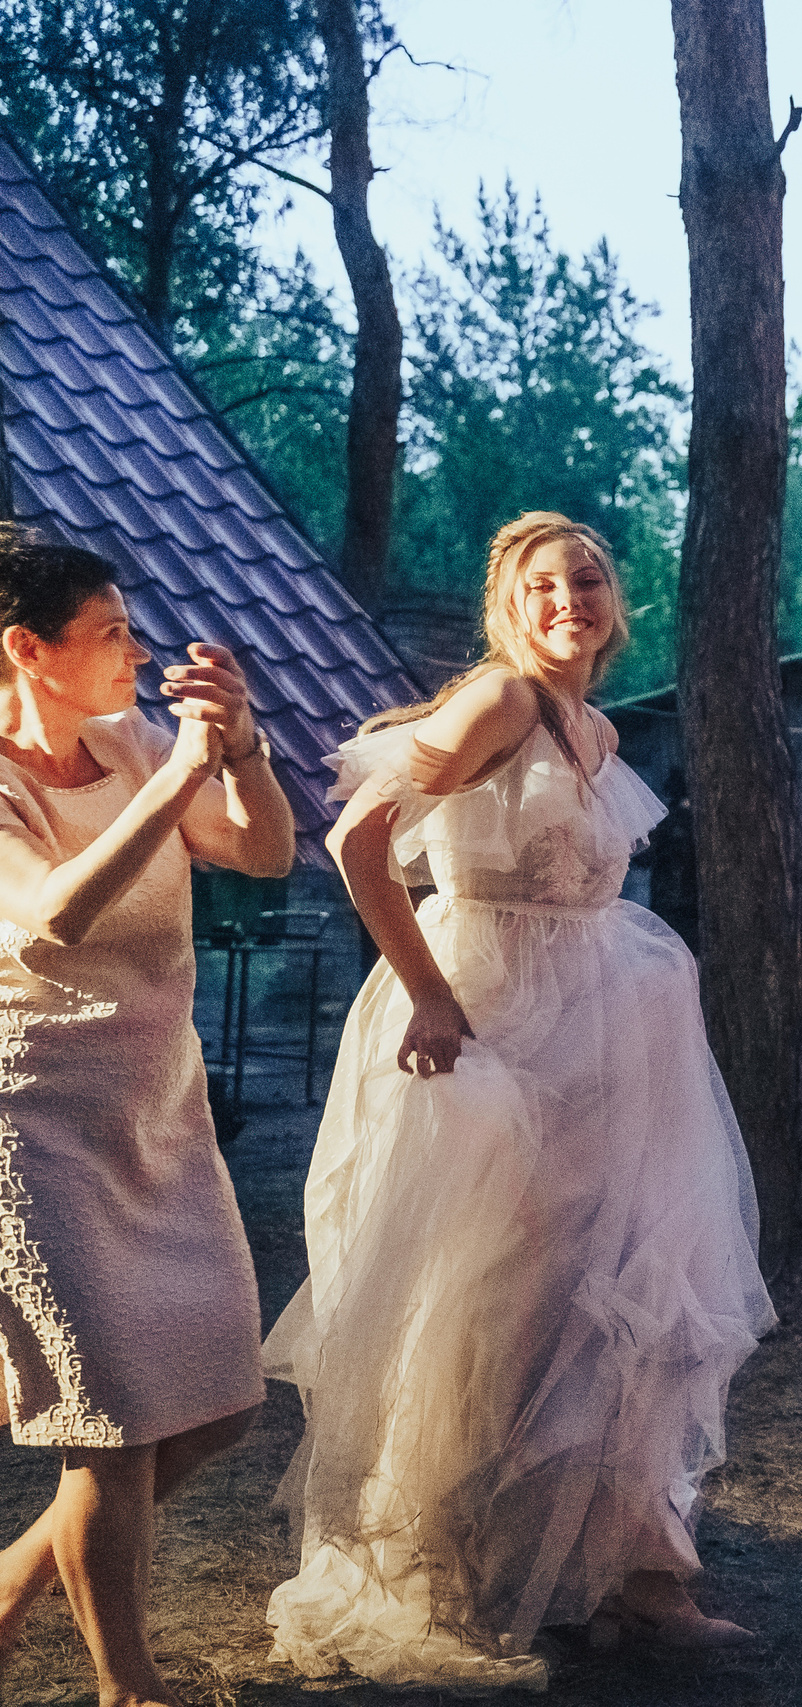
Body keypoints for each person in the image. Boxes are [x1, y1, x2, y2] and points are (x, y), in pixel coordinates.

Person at [263, 513, 775, 1690]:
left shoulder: (591, 727)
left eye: (587, 579)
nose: (568, 598)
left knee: (607, 1294)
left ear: (614, 601)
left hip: (601, 1039)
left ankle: (629, 1575)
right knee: (488, 1298)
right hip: (491, 1029)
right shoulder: (497, 703)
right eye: (542, 584)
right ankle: (455, 1571)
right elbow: (358, 839)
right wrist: (431, 999)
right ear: (509, 608)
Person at [0, 529, 293, 1707]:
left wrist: (245, 749)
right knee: (110, 1428)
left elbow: (264, 853)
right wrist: (181, 776)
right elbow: (51, 921)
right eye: (110, 632)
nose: (136, 649)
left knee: (216, 1401)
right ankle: (132, 1690)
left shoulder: (131, 740)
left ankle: (11, 1588)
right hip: (35, 1126)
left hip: (157, 1107)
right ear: (29, 649)